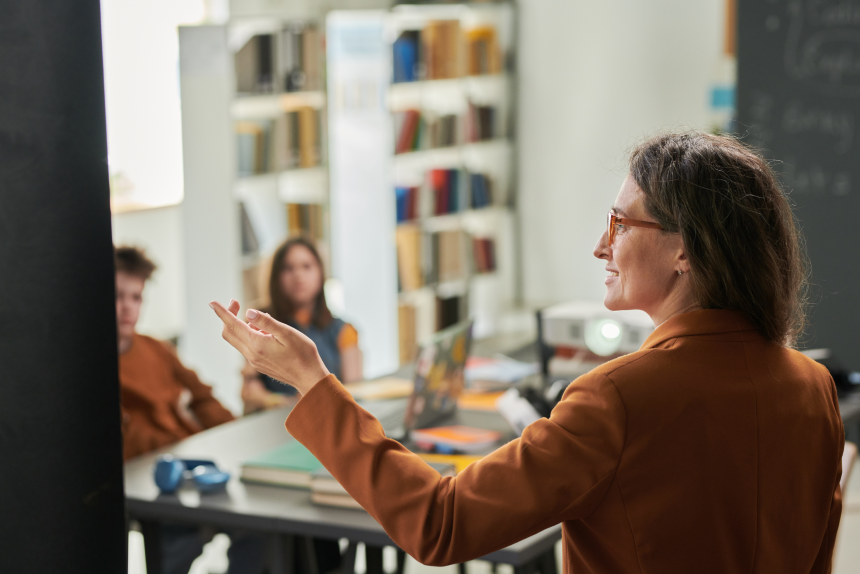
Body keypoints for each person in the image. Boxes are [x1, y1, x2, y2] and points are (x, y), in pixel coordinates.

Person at [210, 132, 845, 573]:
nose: (602, 245)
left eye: (622, 224)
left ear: (686, 250)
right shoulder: (812, 385)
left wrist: (312, 383)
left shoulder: (617, 397)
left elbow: (441, 523)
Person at [115, 246, 265, 574]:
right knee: (181, 543)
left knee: (262, 528)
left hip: (195, 466)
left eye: (136, 298)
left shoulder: (156, 348)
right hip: (153, 486)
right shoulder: (86, 364)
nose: (127, 307)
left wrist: (236, 437)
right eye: (118, 296)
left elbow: (202, 397)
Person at [241, 237, 362, 415]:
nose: (298, 275)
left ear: (321, 273)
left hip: (328, 420)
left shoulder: (345, 331)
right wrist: (281, 402)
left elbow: (355, 390)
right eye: (288, 268)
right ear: (276, 276)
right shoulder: (258, 323)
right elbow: (249, 391)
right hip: (276, 421)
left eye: (307, 266)